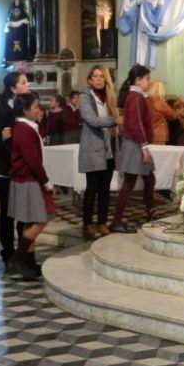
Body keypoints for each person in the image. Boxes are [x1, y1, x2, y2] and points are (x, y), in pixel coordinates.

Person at [8, 93, 54, 280]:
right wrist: (46, 181)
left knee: (30, 220)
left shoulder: (24, 127)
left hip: (26, 179)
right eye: (35, 107)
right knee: (41, 219)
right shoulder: (24, 129)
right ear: (25, 110)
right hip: (28, 179)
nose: (38, 110)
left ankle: (29, 264)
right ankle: (17, 259)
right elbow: (32, 160)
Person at [0, 72, 30, 269]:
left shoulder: (22, 105)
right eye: (23, 82)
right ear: (13, 88)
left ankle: (22, 251)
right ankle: (7, 250)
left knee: (20, 211)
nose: (28, 84)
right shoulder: (2, 108)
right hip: (4, 169)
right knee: (7, 212)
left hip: (17, 167)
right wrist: (5, 138)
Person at [78, 66, 122, 240]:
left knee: (105, 189)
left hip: (108, 146)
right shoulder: (84, 97)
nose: (98, 79)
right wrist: (114, 120)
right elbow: (92, 120)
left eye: (101, 77)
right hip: (93, 147)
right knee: (92, 188)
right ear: (89, 80)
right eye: (95, 76)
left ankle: (102, 222)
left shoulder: (109, 97)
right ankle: (87, 224)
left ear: (106, 80)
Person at [112, 65, 157, 232]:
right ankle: (117, 221)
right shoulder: (135, 97)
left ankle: (151, 211)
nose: (149, 82)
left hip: (137, 143)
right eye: (147, 79)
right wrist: (144, 147)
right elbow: (135, 123)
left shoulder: (137, 96)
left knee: (149, 178)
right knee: (129, 183)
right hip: (135, 144)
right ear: (138, 80)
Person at [147, 81, 179, 145]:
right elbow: (172, 116)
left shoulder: (146, 101)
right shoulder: (159, 102)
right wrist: (177, 109)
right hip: (159, 135)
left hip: (147, 134)